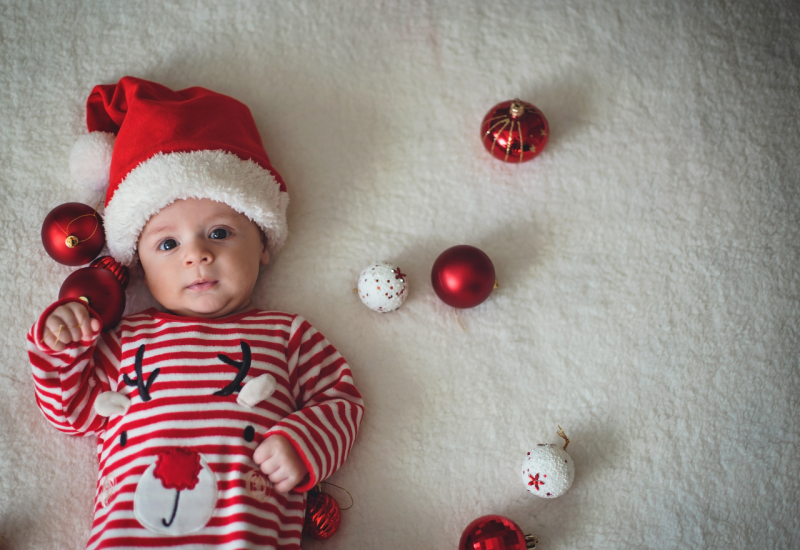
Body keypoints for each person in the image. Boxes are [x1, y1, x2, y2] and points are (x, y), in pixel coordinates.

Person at [27, 77, 364, 550]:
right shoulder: (126, 339)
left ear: (263, 244)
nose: (197, 255)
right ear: (138, 264)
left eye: (221, 233)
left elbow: (342, 400)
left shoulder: (288, 335)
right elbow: (73, 414)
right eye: (168, 243)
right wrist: (61, 346)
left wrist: (304, 443)